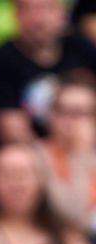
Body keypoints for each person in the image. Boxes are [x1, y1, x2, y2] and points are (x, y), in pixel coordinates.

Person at [0, 0, 96, 163]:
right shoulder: (3, 59)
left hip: (83, 149)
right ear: (15, 16)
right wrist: (57, 161)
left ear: (62, 15)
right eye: (28, 10)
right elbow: (11, 132)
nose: (38, 20)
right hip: (33, 160)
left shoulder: (82, 48)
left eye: (46, 9)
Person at [35, 74, 96, 234]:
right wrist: (80, 154)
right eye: (62, 111)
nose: (69, 121)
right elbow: (75, 216)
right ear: (50, 115)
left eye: (79, 113)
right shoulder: (35, 157)